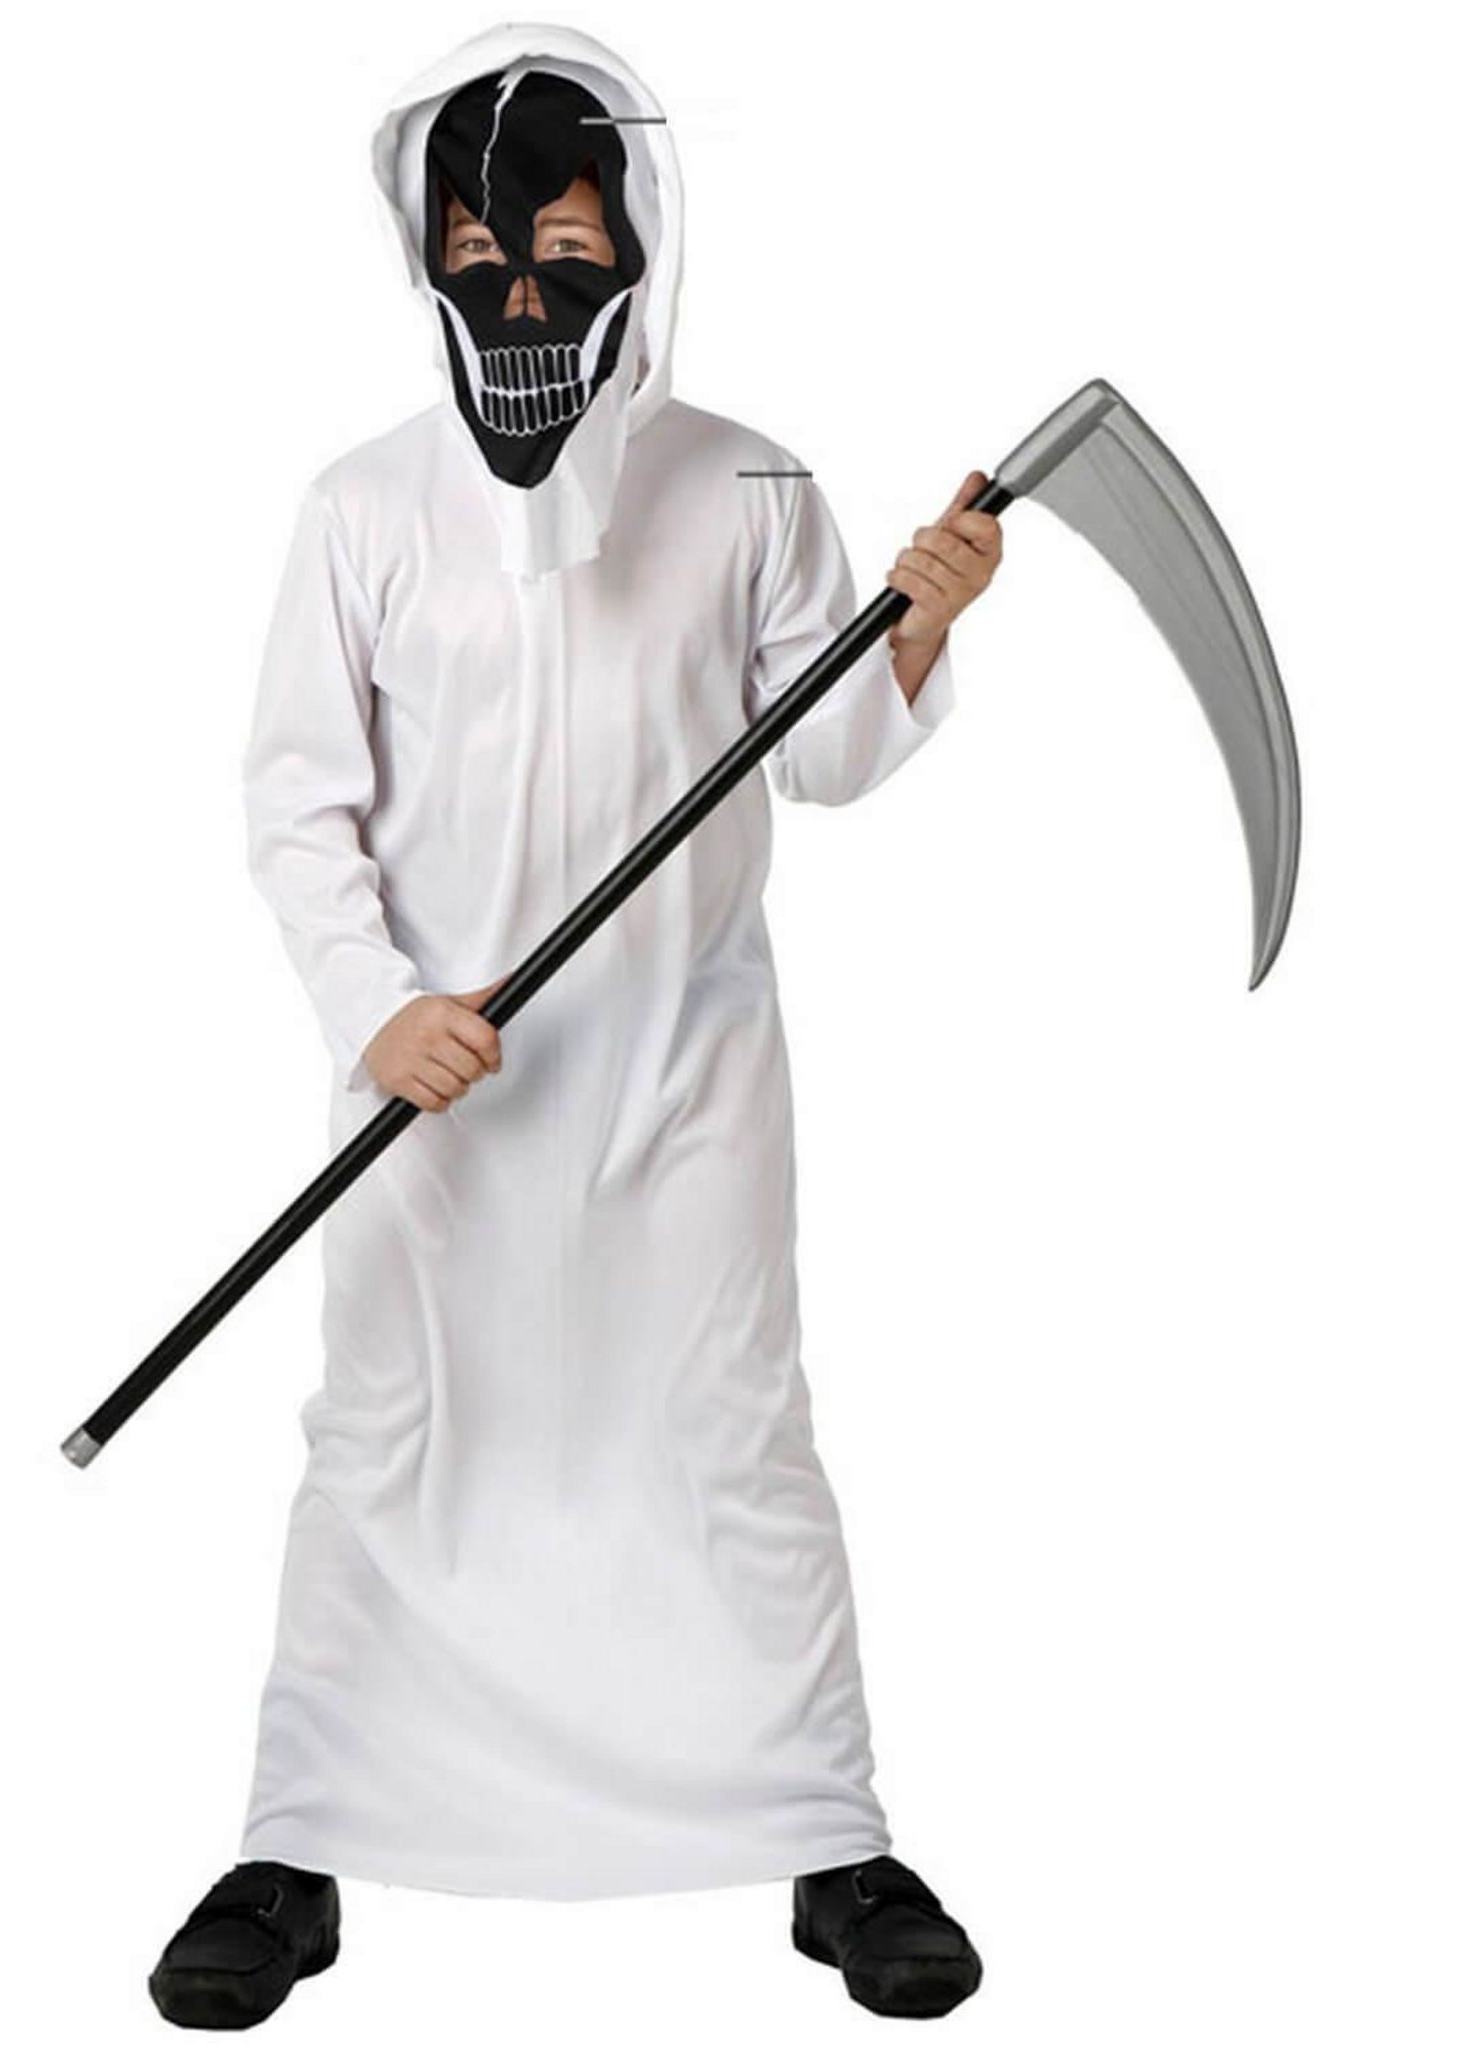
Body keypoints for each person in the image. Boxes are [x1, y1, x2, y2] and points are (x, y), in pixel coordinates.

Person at [147, 24, 1002, 2029]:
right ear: (426, 262)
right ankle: (298, 1838)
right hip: (438, 1096)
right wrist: (378, 1013)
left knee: (733, 1431)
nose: (520, 301)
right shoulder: (360, 506)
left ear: (633, 247)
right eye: (477, 258)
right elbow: (296, 802)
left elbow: (826, 759)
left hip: (686, 1080)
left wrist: (918, 619)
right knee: (388, 1430)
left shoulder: (749, 479)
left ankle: (826, 1836)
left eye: (559, 253)